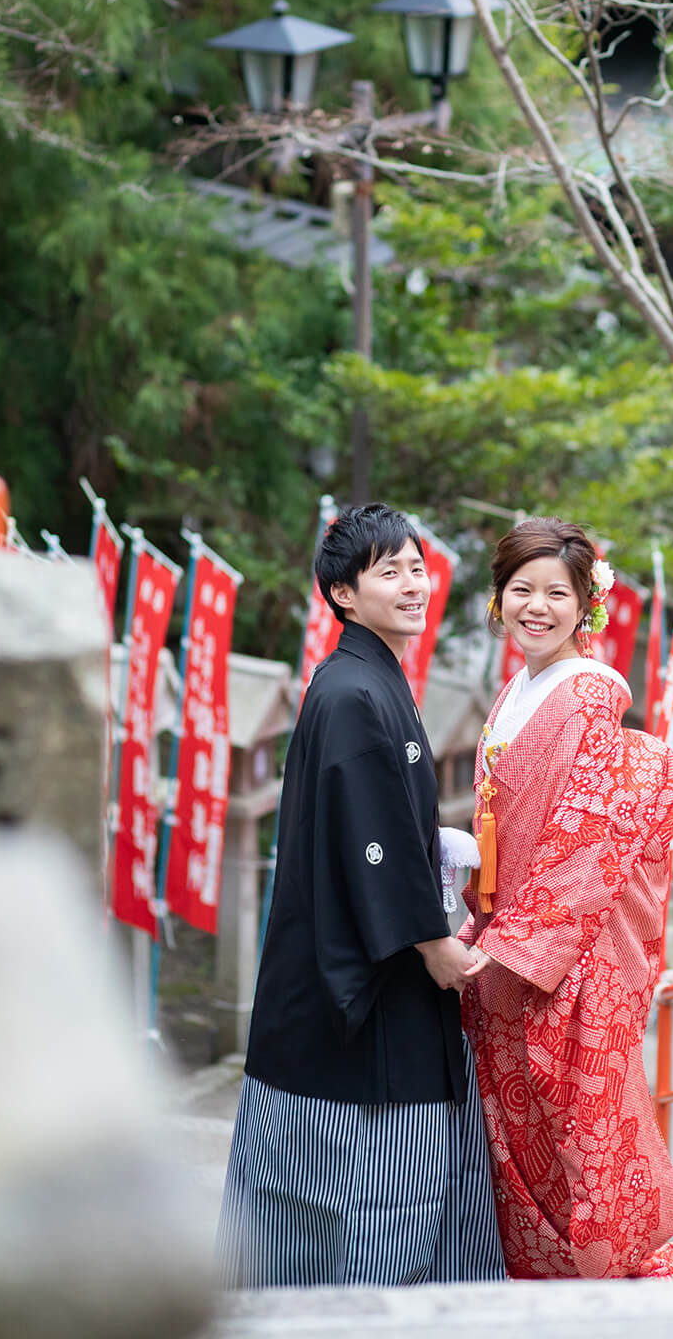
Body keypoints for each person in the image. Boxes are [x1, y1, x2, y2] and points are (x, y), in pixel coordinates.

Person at [216, 504, 505, 1288]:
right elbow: (367, 836)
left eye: (417, 567)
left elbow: (374, 825)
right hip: (364, 990)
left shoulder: (367, 681)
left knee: (313, 1210)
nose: (413, 584)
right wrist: (433, 939)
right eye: (390, 572)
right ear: (343, 594)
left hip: (350, 968)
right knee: (378, 1203)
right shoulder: (352, 694)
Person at [459, 518, 673, 1281]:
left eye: (558, 593)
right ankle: (550, 1278)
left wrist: (513, 946)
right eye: (522, 591)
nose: (537, 607)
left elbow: (585, 834)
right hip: (506, 931)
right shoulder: (519, 688)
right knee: (524, 1136)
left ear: (588, 606)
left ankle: (601, 1286)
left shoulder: (586, 694)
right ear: (498, 599)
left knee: (575, 1133)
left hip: (561, 950)